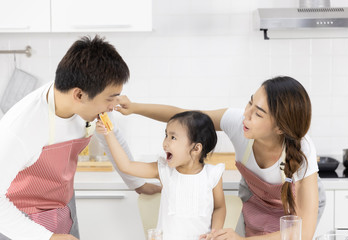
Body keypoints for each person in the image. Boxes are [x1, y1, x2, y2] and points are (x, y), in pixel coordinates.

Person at [113, 76, 326, 240]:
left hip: (293, 212)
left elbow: (302, 233)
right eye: (249, 103)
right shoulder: (238, 123)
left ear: (280, 127)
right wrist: (135, 108)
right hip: (254, 203)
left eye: (258, 113)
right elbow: (187, 117)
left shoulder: (302, 148)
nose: (246, 114)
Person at [0, 35, 160, 240]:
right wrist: (46, 238)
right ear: (78, 95)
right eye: (110, 98)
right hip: (18, 222)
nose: (113, 106)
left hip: (63, 209)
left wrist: (137, 183)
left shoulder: (92, 102)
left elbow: (111, 135)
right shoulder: (21, 128)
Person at [96, 111, 226, 240]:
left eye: (173, 137)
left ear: (196, 149)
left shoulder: (212, 175)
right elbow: (126, 166)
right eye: (166, 135)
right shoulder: (164, 170)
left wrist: (214, 234)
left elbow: (219, 207)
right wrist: (108, 133)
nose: (165, 143)